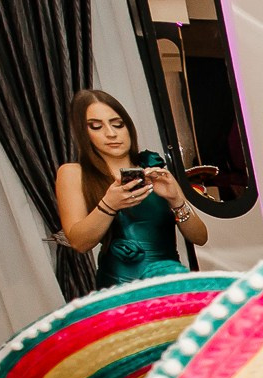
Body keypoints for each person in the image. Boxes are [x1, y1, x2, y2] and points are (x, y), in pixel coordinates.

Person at [54, 89, 207, 290]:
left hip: (169, 283)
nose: (111, 133)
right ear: (84, 134)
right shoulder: (74, 173)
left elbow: (200, 237)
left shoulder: (154, 169)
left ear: (128, 127)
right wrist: (109, 204)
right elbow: (79, 243)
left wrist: (177, 200)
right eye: (96, 127)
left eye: (118, 124)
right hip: (120, 288)